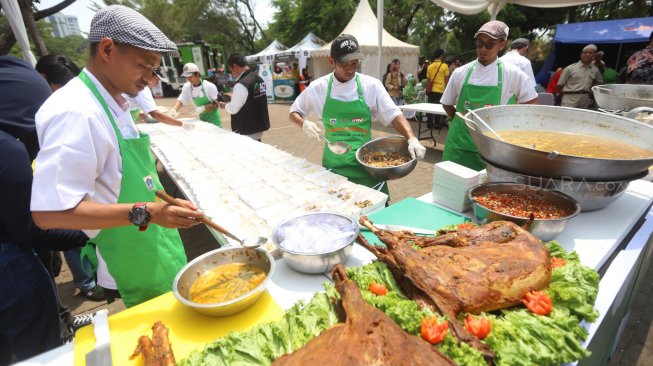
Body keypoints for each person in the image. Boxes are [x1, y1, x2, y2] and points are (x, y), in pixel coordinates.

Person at [30, 5, 204, 308]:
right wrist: (148, 212)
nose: (150, 80)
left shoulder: (116, 102)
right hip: (131, 255)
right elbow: (50, 214)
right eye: (144, 66)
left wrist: (163, 203)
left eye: (155, 71)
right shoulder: (75, 111)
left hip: (155, 244)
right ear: (108, 49)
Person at [1, 55, 91, 364]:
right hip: (9, 265)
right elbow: (32, 228)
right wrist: (90, 231)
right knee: (41, 349)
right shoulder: (8, 150)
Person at [289, 34, 426, 196]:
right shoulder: (319, 87)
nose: (350, 69)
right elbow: (294, 112)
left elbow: (394, 114)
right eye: (345, 64)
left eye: (355, 63)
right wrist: (303, 123)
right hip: (334, 168)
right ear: (331, 61)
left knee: (375, 211)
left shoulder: (371, 86)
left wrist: (411, 138)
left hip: (368, 167)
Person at [35, 54, 107, 302]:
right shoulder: (59, 108)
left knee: (88, 235)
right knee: (76, 235)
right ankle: (86, 282)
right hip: (62, 190)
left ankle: (94, 276)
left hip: (88, 188)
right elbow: (52, 212)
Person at [441, 20, 538, 171]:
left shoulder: (512, 74)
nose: (483, 49)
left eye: (489, 44)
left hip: (492, 149)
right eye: (480, 43)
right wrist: (458, 121)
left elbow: (531, 100)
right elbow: (447, 103)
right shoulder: (461, 72)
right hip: (458, 146)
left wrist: (511, 124)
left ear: (501, 44)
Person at [216, 53, 270, 141]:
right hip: (259, 127)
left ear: (235, 66)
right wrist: (233, 98)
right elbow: (252, 98)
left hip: (247, 130)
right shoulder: (258, 78)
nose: (232, 74)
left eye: (230, 70)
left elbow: (233, 109)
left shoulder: (241, 84)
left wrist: (223, 105)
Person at [124, 75, 193, 129]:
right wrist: (182, 124)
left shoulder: (134, 83)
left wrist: (152, 119)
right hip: (122, 125)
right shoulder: (143, 89)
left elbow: (143, 114)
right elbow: (155, 114)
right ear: (151, 77)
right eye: (157, 80)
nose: (158, 83)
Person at [172, 62, 222, 127]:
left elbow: (217, 103)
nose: (188, 79)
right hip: (202, 119)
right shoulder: (187, 87)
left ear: (197, 74)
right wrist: (174, 109)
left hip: (214, 120)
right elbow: (181, 99)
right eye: (186, 77)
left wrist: (203, 108)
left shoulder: (209, 86)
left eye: (190, 77)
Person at [556, 44, 603, 109]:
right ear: (581, 54)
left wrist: (592, 93)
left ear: (594, 56)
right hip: (570, 98)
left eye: (590, 53)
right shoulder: (570, 68)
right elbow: (560, 85)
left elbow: (599, 84)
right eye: (585, 53)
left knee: (582, 118)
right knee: (567, 117)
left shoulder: (595, 70)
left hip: (585, 98)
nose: (587, 54)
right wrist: (563, 95)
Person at [426, 49, 450, 129]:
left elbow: (428, 80)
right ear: (441, 56)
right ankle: (437, 124)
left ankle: (429, 123)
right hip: (440, 90)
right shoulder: (444, 66)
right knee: (438, 108)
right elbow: (446, 80)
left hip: (431, 90)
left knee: (430, 107)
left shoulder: (430, 66)